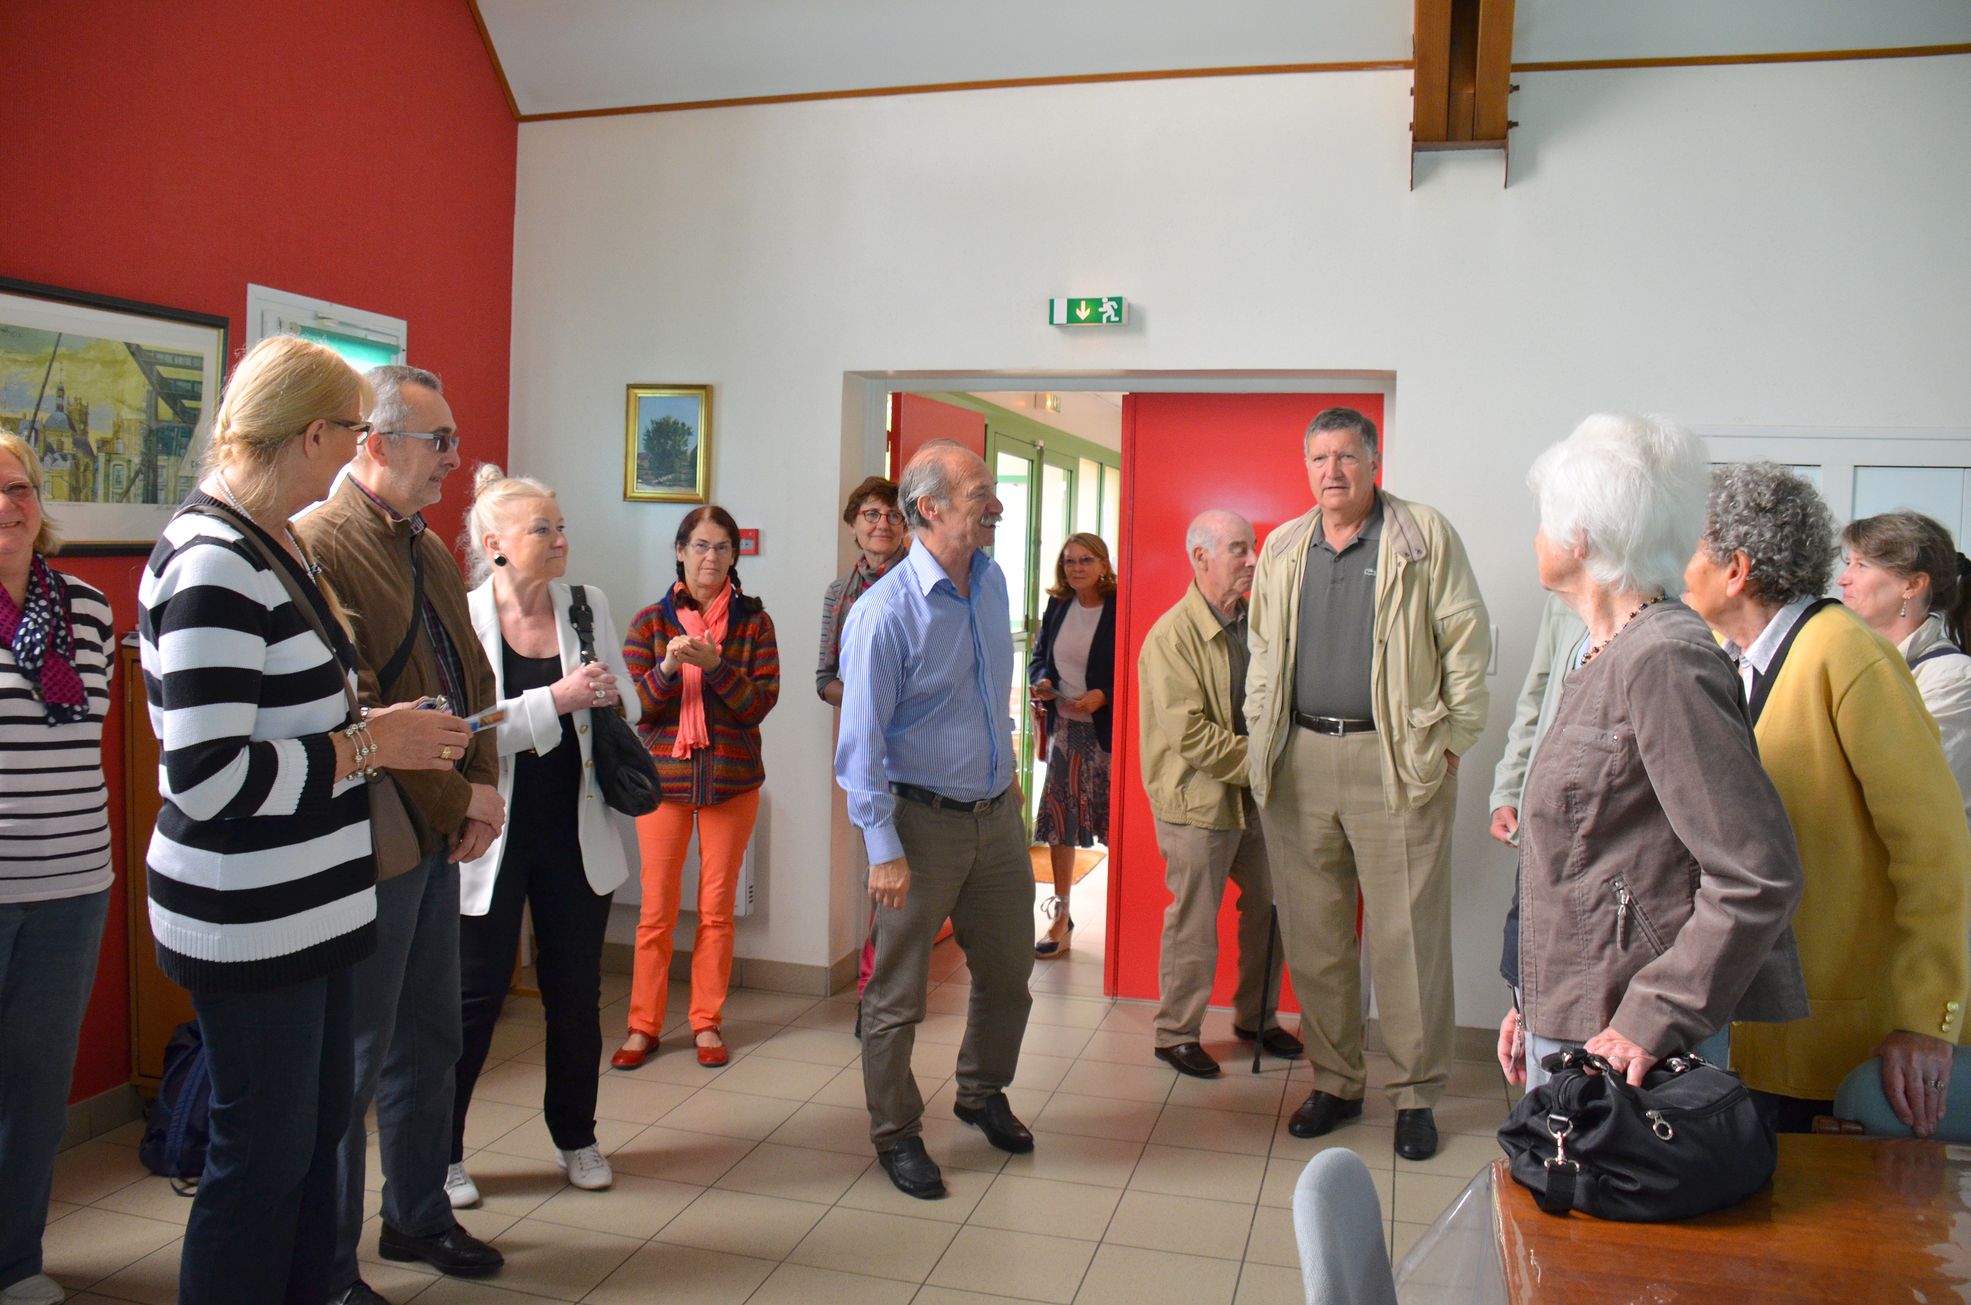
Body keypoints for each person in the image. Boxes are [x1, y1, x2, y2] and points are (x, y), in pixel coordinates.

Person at [137, 336, 468, 1305]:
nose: (355, 456)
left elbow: (291, 714)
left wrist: (372, 733)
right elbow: (207, 778)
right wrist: (372, 745)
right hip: (250, 914)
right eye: (352, 434)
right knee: (260, 1158)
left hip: (314, 904)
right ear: (313, 433)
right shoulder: (212, 561)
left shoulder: (270, 539)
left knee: (312, 1140)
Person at [1496, 414, 1808, 1092]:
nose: (1536, 538)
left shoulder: (1664, 658)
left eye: (1544, 521)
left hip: (1627, 1041)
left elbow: (1756, 873)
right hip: (1578, 1012)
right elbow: (1586, 858)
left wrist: (1653, 1015)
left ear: (1579, 537)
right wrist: (1530, 996)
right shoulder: (1602, 651)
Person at [295, 364, 507, 1300]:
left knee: (430, 1038)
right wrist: (460, 802)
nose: (455, 459)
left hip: (434, 837)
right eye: (438, 441)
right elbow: (365, 711)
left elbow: (473, 677)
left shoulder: (424, 545)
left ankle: (417, 1216)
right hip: (372, 843)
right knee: (352, 1062)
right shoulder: (321, 544)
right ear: (376, 444)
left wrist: (482, 784)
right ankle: (330, 1266)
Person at [1685, 463, 1971, 1135]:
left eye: (1691, 549)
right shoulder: (1728, 657)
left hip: (1835, 1039)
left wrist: (1925, 1019)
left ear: (1736, 569)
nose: (1677, 569)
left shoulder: (1847, 655)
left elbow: (1934, 848)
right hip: (1752, 1027)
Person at [1244, 407, 1489, 1162]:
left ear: (1373, 461)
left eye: (1346, 456)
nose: (1332, 471)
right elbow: (1262, 650)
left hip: (1396, 761)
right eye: (1319, 458)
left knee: (1406, 938)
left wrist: (1450, 742)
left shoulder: (1421, 535)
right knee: (1315, 937)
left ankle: (1415, 1095)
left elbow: (1466, 641)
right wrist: (1261, 732)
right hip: (1300, 761)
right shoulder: (1284, 546)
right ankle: (1336, 1083)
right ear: (1306, 466)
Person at [835, 439, 1037, 1200]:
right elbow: (860, 747)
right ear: (929, 508)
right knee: (897, 994)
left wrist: (1005, 778)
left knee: (1009, 974)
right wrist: (882, 848)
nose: (996, 506)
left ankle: (981, 1092)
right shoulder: (882, 613)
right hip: (918, 826)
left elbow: (987, 696)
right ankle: (895, 1132)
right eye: (981, 493)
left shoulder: (991, 581)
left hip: (997, 818)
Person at [447, 466, 638, 1206]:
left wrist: (609, 696)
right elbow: (461, 732)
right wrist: (554, 700)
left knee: (576, 997)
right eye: (542, 529)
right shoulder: (462, 617)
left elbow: (620, 698)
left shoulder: (587, 604)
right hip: (488, 837)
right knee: (472, 999)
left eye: (561, 527)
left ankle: (576, 1136)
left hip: (574, 832)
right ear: (495, 542)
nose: (560, 540)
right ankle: (443, 1153)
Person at [0, 432, 115, 1305]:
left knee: (37, 1088)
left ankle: (15, 1262)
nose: (8, 505)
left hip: (75, 880)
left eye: (19, 488)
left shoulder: (87, 606)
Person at [615, 506, 780, 1070]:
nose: (712, 557)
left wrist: (715, 667)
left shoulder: (755, 623)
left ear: (735, 556)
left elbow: (758, 705)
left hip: (732, 785)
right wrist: (666, 668)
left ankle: (706, 1023)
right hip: (662, 785)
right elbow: (636, 708)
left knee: (716, 912)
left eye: (723, 547)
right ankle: (643, 1026)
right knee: (655, 913)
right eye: (701, 546)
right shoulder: (649, 622)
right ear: (680, 551)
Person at [1137, 510, 1299, 1078]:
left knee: (1272, 905)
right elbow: (1192, 736)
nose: (1253, 559)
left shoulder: (1257, 623)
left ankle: (1257, 1018)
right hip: (1196, 804)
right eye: (1238, 549)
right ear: (1201, 557)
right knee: (1194, 921)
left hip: (1254, 799)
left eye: (1253, 547)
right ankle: (1175, 1034)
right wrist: (1267, 764)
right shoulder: (1170, 636)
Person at [818, 476, 908, 1034]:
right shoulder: (840, 593)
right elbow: (824, 678)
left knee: (906, 879)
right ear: (854, 523)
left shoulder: (919, 581)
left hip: (918, 752)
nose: (882, 524)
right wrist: (863, 700)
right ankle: (871, 995)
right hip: (867, 757)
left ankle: (887, 990)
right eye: (872, 514)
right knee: (878, 875)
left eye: (893, 515)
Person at [1838, 511, 1971, 828]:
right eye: (1848, 563)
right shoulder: (1845, 660)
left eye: (1861, 565)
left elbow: (1907, 787)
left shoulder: (1954, 678)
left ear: (1913, 584)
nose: (1842, 578)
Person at [1027, 532, 1118, 956]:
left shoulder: (1120, 607)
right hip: (1065, 730)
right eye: (1069, 561)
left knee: (1113, 823)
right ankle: (1061, 915)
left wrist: (1106, 695)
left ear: (1103, 564)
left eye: (1085, 560)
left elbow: (1138, 664)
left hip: (1107, 735)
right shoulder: (1058, 605)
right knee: (1059, 824)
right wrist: (1042, 680)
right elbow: (1039, 657)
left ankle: (1125, 918)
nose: (1077, 568)